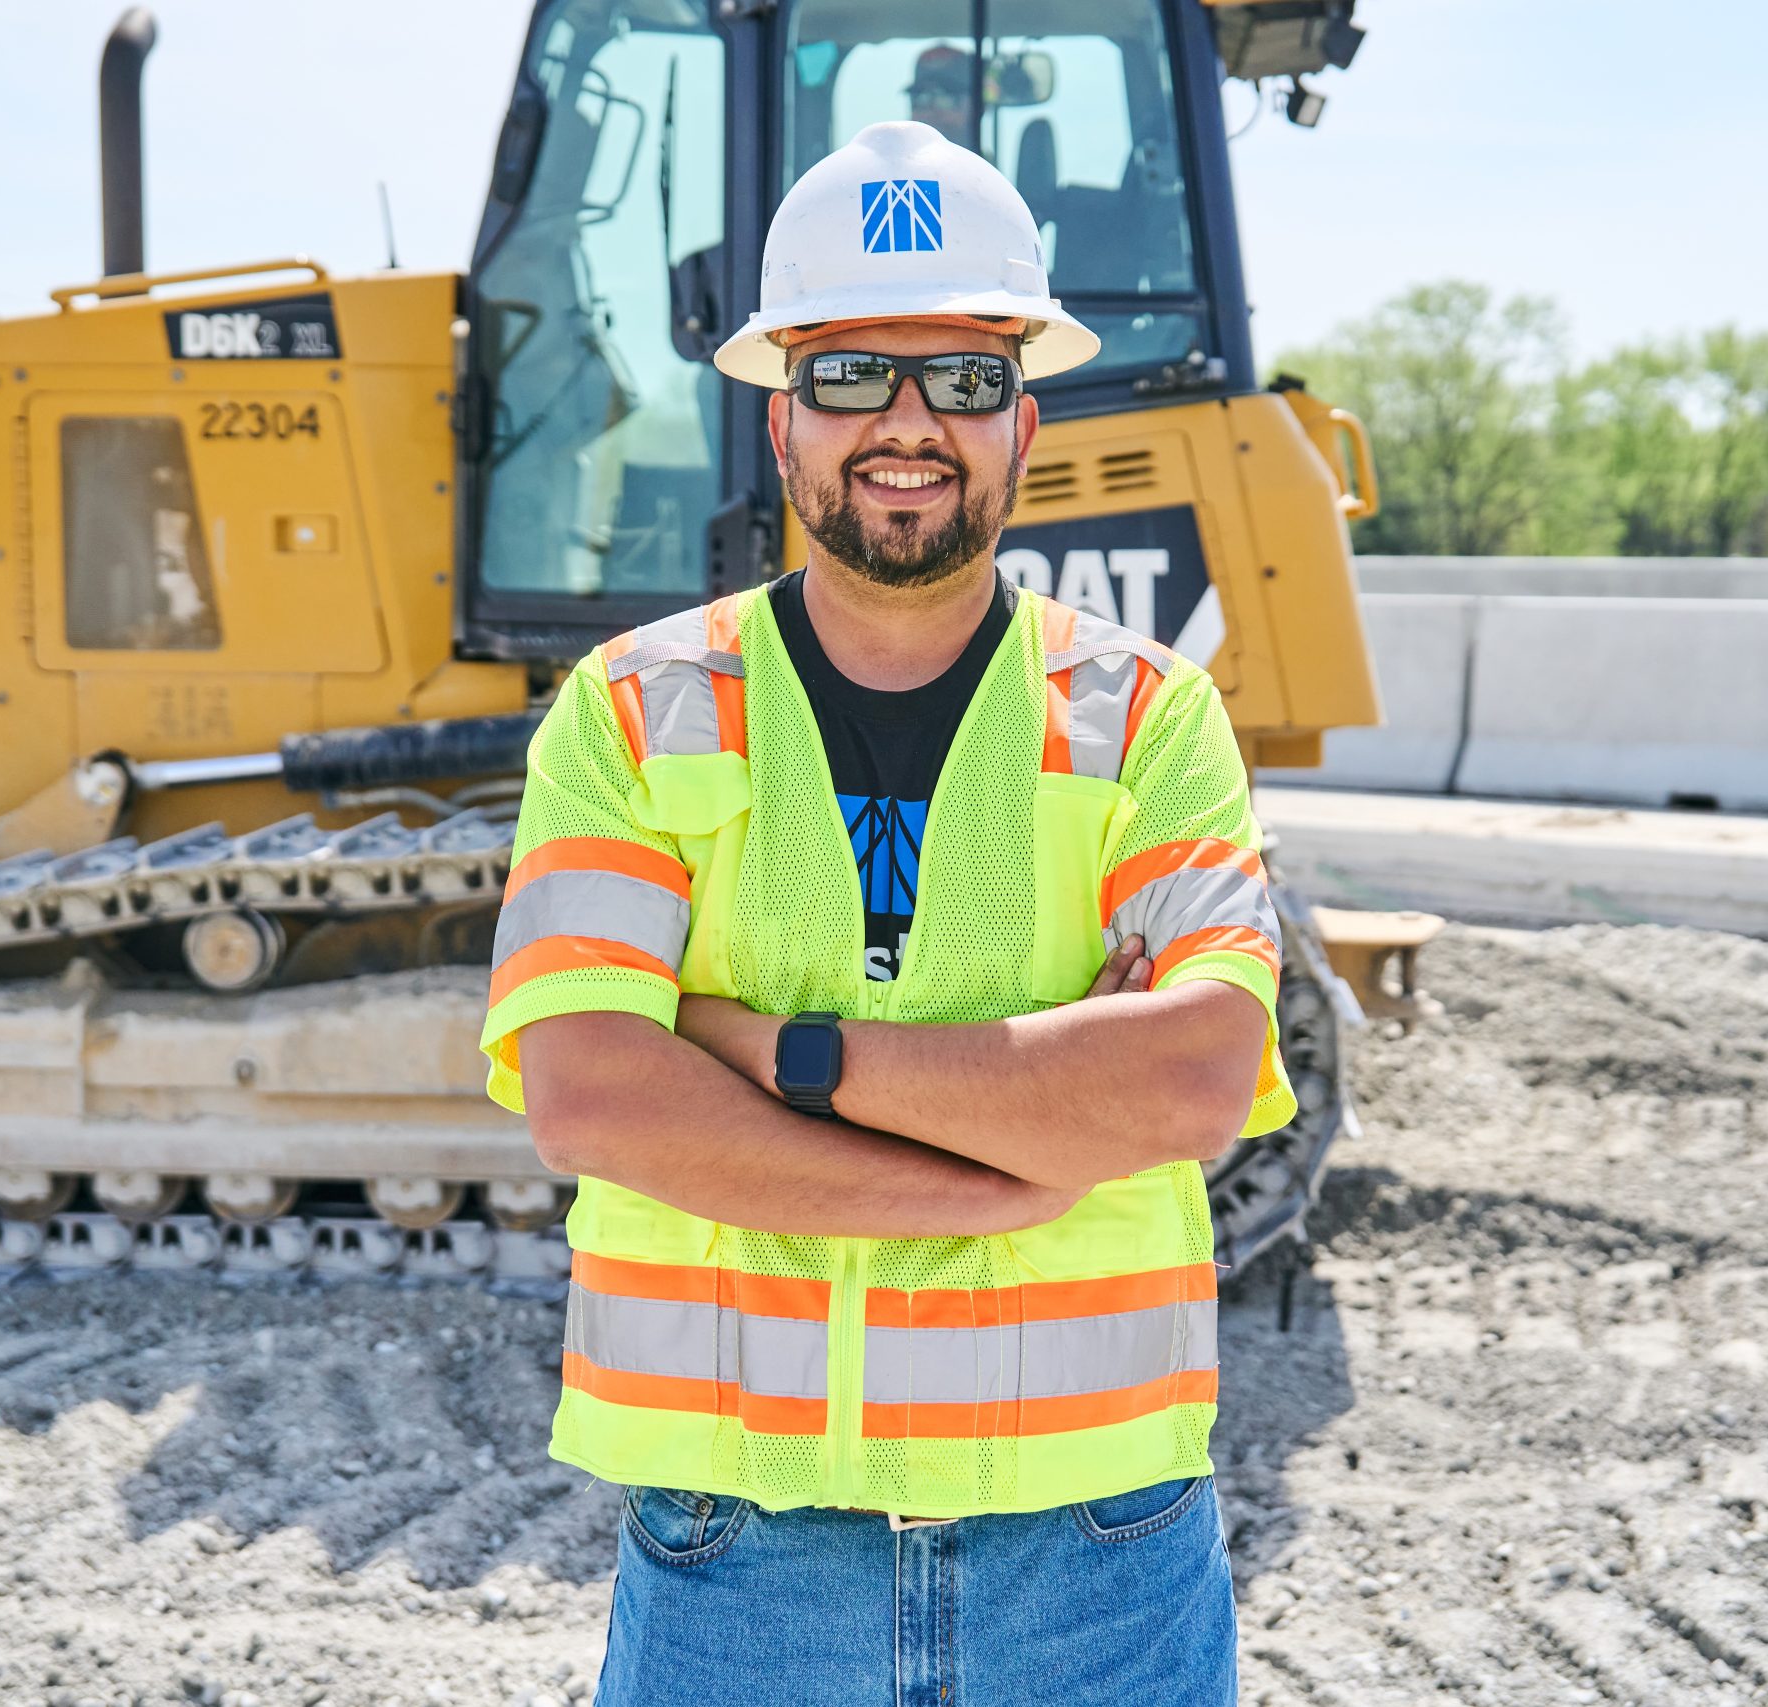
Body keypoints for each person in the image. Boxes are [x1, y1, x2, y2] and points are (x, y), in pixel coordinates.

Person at [480, 120, 1296, 1706]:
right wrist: (996, 1170)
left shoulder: (1150, 714)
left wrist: (767, 1051)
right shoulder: (631, 711)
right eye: (854, 374)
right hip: (746, 1560)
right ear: (781, 417)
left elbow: (1192, 1078)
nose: (907, 424)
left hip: (1098, 1553)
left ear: (1026, 424)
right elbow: (590, 1094)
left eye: (964, 380)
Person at [905, 43, 978, 147]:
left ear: (977, 107)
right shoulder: (891, 161)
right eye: (920, 99)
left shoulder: (984, 163)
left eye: (945, 100)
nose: (930, 111)